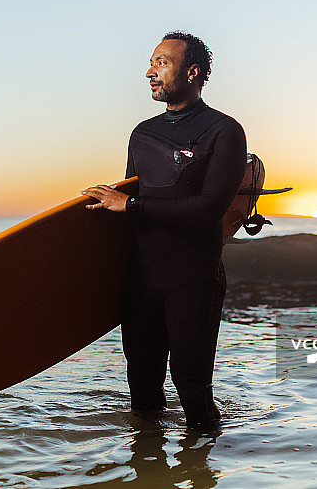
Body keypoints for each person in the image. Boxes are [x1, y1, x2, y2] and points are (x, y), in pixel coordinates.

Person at [81, 31, 247, 429]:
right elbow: (125, 213)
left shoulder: (223, 131)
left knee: (192, 391)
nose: (149, 73)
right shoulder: (143, 134)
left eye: (161, 63)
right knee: (141, 390)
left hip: (193, 279)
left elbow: (208, 209)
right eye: (152, 63)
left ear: (192, 72)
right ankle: (149, 472)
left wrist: (131, 204)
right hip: (141, 282)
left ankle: (203, 471)